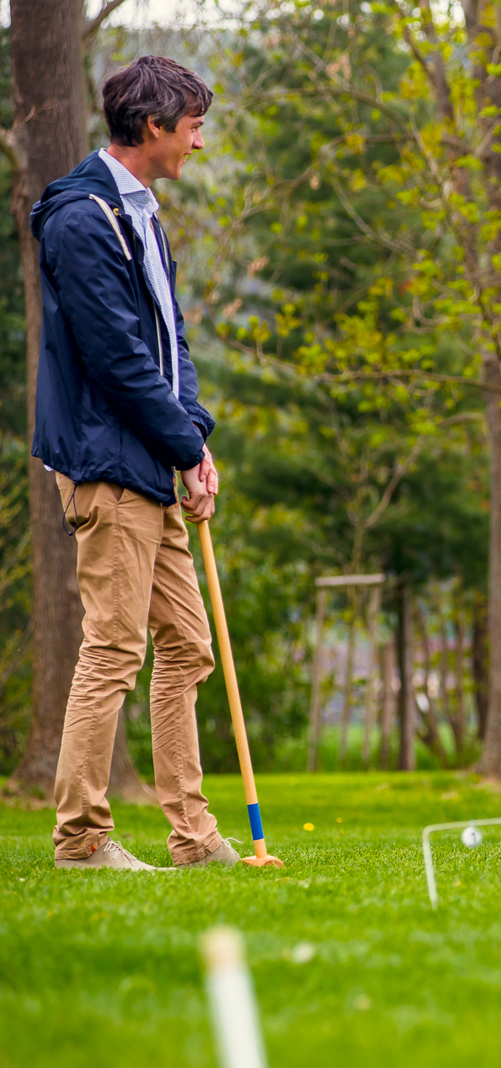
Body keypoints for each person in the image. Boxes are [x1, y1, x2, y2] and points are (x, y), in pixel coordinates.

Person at [32, 57, 235, 870]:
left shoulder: (142, 216)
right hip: (106, 460)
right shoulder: (83, 219)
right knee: (114, 650)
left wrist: (195, 438)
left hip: (153, 455)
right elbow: (116, 358)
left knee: (188, 644)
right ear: (153, 126)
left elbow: (169, 342)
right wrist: (180, 443)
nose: (197, 139)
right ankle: (81, 838)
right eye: (191, 125)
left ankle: (193, 835)